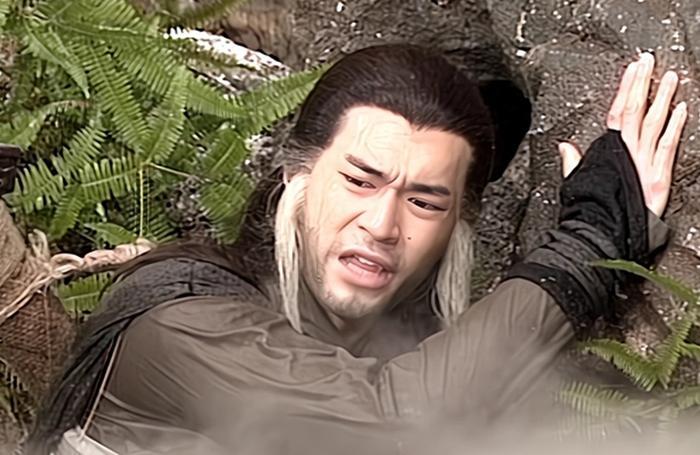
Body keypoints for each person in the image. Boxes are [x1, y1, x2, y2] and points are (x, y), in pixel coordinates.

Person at [26, 45, 686, 454]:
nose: (382, 223)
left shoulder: (416, 348)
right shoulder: (182, 326)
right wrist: (588, 246)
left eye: (424, 201)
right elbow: (392, 423)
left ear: (459, 227)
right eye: (360, 181)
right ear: (297, 175)